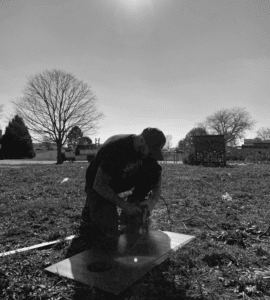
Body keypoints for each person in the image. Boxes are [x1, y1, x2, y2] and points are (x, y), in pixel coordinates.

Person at [80, 127, 166, 240]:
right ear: (141, 140)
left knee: (150, 170)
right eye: (149, 151)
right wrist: (123, 205)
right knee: (109, 229)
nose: (150, 155)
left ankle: (132, 211)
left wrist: (152, 201)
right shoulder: (116, 148)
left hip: (122, 179)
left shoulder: (147, 151)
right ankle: (90, 209)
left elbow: (156, 175)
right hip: (98, 183)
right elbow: (99, 184)